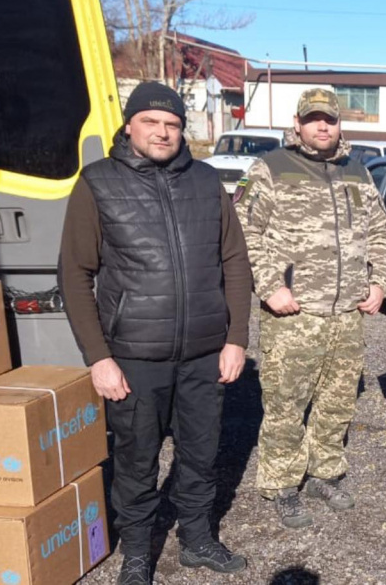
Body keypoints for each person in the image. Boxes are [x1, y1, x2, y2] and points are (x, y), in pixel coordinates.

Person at [58, 81, 253, 584]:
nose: (163, 132)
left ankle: (197, 538)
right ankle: (138, 553)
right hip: (134, 357)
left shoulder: (207, 182)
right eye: (151, 122)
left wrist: (237, 339)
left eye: (172, 124)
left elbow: (234, 261)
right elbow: (75, 273)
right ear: (130, 126)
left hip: (204, 353)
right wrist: (98, 357)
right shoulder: (97, 183)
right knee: (137, 460)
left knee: (201, 453)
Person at [235, 88, 386, 529]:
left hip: (346, 316)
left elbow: (381, 231)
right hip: (294, 315)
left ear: (340, 124)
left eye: (330, 119)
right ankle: (283, 483)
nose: (322, 126)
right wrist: (268, 288)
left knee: (337, 401)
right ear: (298, 123)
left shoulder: (358, 173)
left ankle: (325, 472)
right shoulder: (270, 169)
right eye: (313, 119)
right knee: (285, 402)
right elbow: (242, 232)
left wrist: (379, 282)